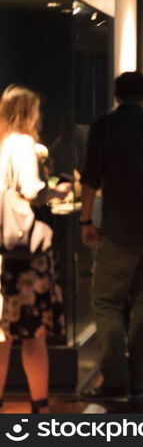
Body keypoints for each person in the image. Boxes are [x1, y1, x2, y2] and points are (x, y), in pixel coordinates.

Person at [80, 72, 143, 402]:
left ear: (116, 95)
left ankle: (114, 382)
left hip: (120, 229)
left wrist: (85, 219)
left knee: (107, 302)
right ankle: (139, 381)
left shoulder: (104, 126)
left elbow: (91, 177)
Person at [0, 85, 70, 413]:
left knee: (1, 334)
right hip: (24, 254)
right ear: (29, 112)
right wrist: (56, 192)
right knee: (32, 333)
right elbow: (31, 190)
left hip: (2, 251)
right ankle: (39, 409)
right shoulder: (24, 144)